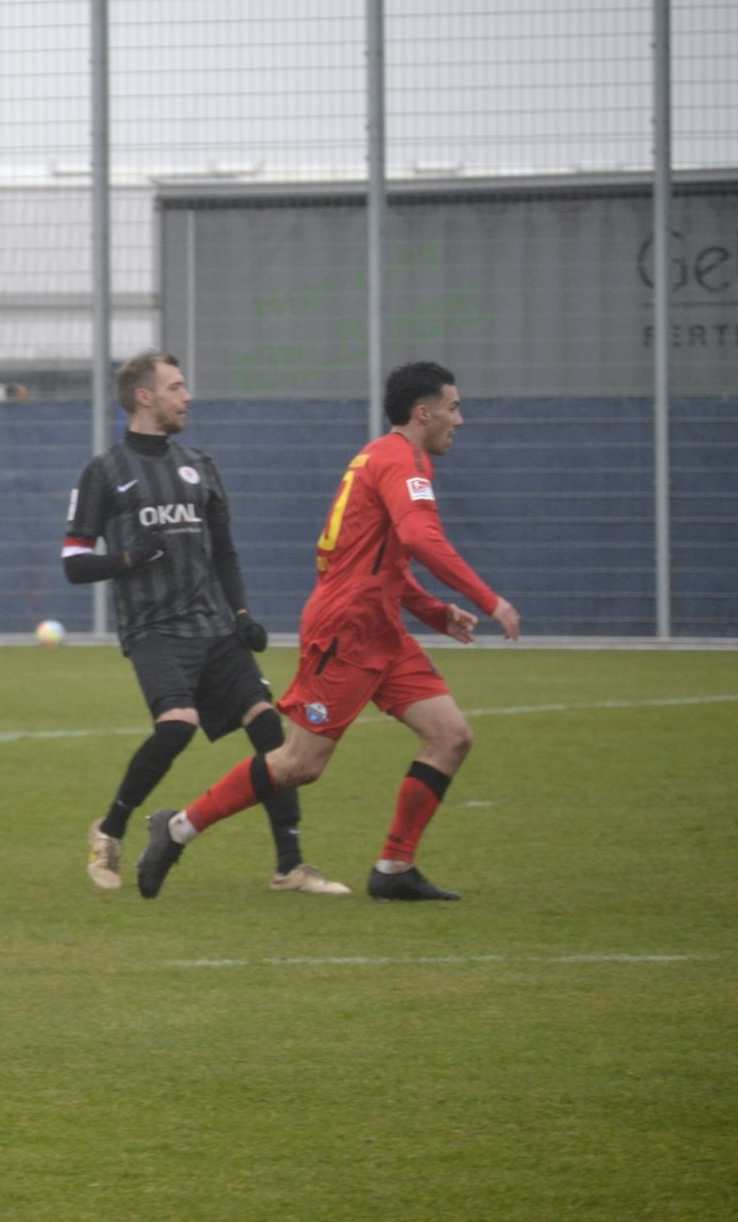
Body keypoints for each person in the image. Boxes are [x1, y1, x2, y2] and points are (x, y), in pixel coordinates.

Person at [136, 360, 521, 902]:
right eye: (453, 409)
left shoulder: (380, 456)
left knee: (450, 735)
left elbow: (374, 562)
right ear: (423, 413)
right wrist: (489, 599)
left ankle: (394, 867)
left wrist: (435, 612)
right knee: (300, 764)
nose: (459, 420)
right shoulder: (401, 461)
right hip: (347, 631)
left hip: (381, 629)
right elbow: (420, 538)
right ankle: (177, 828)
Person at [63, 350, 348, 896]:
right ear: (144, 397)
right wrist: (128, 558)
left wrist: (242, 615)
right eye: (175, 387)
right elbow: (74, 563)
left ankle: (290, 865)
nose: (186, 396)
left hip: (213, 627)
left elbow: (225, 553)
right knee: (177, 726)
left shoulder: (201, 464)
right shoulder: (104, 472)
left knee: (268, 727)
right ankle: (111, 829)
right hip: (153, 628)